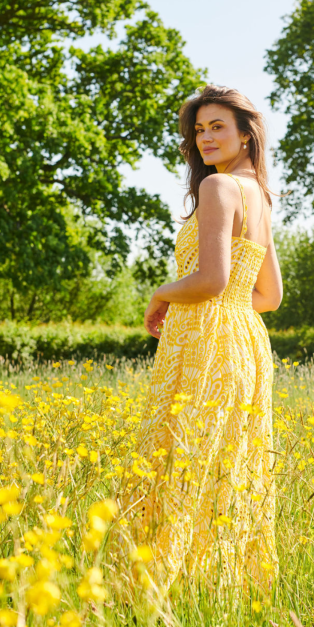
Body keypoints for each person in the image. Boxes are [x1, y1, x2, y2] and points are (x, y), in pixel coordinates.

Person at [118, 85, 283, 597]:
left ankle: (157, 592)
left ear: (245, 134)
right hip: (245, 341)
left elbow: (211, 279)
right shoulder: (259, 195)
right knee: (225, 468)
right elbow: (269, 297)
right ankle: (222, 592)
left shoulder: (219, 190)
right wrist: (225, 306)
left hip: (208, 343)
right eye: (198, 130)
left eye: (217, 127)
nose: (205, 138)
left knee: (179, 462)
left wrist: (162, 293)